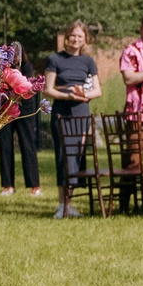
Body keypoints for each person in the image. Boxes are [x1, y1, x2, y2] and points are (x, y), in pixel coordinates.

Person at [45, 20, 102, 219]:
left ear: (85, 39)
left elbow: (98, 90)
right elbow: (48, 89)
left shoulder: (88, 62)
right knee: (63, 156)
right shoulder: (55, 59)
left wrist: (84, 95)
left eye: (80, 36)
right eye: (73, 35)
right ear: (66, 37)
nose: (76, 39)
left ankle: (71, 203)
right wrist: (68, 95)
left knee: (77, 157)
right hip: (62, 113)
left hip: (81, 113)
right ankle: (62, 205)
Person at [0, 47, 44, 197]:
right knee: (5, 146)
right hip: (5, 109)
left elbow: (26, 89)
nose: (13, 57)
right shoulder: (1, 69)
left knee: (27, 145)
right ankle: (7, 185)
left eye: (16, 54)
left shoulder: (26, 68)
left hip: (24, 111)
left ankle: (34, 185)